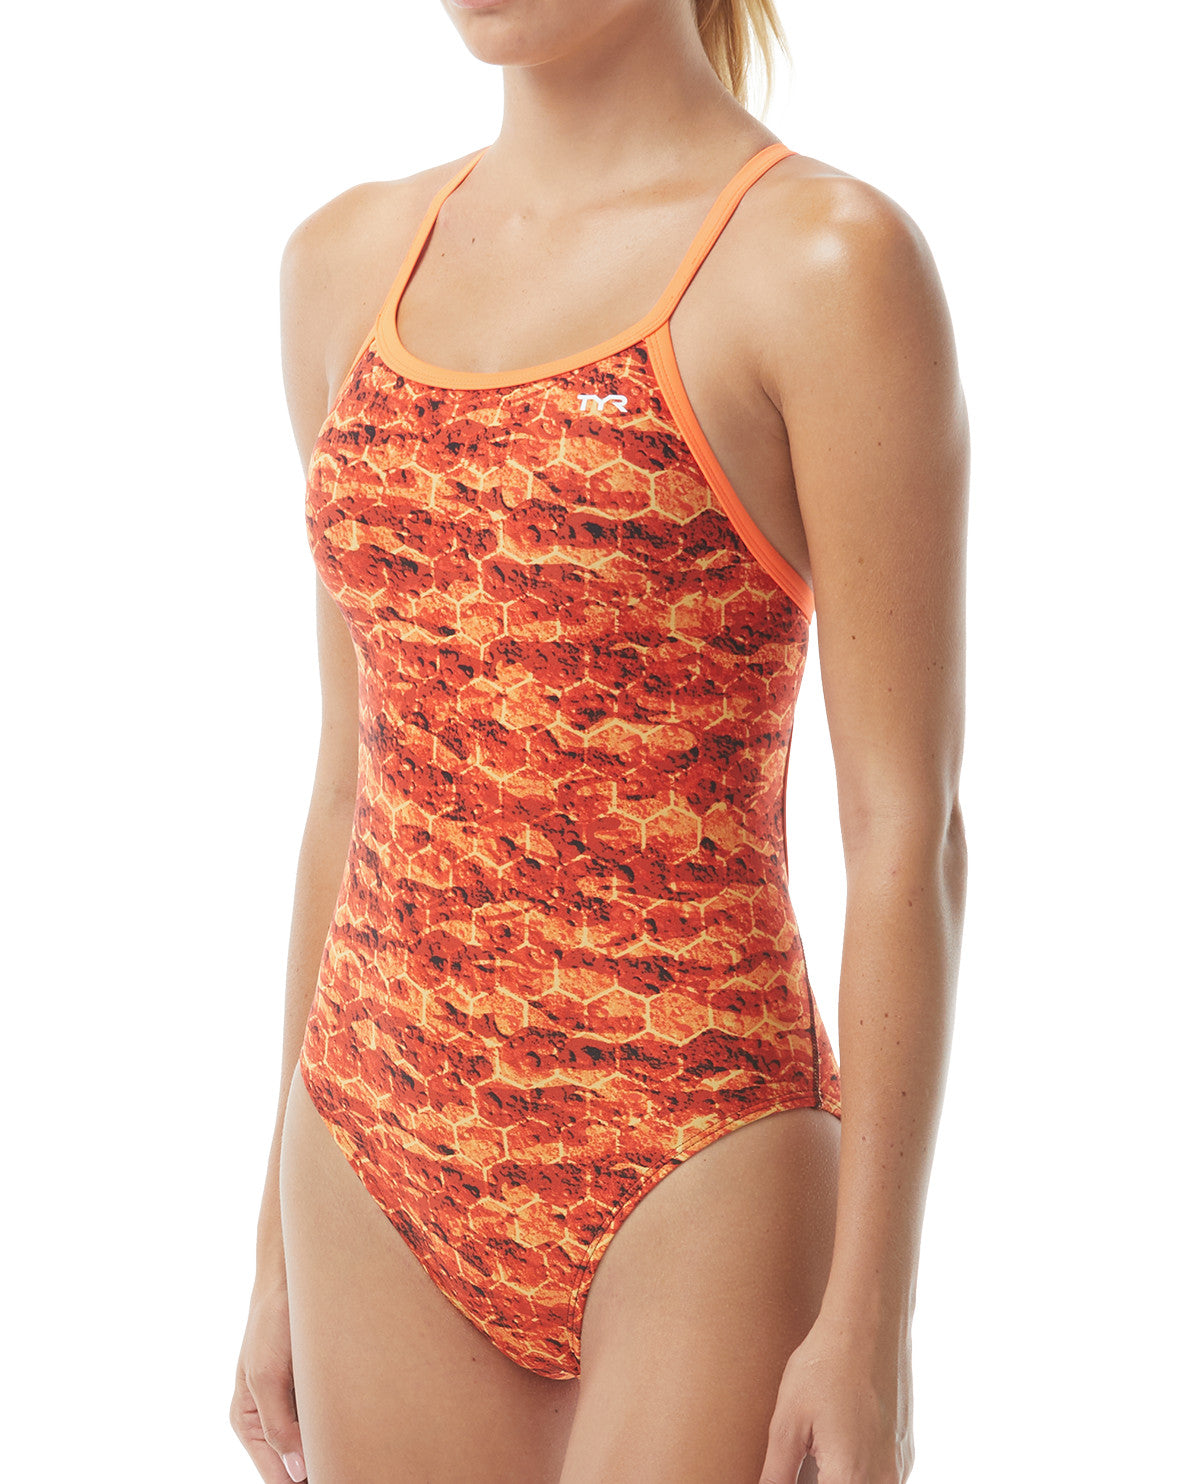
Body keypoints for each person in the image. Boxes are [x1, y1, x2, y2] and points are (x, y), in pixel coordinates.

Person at [229, 1, 968, 1480]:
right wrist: (268, 1255)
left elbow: (905, 828)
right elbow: (349, 779)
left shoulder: (822, 263)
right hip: (370, 1141)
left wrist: (869, 1322)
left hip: (697, 1152)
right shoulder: (341, 266)